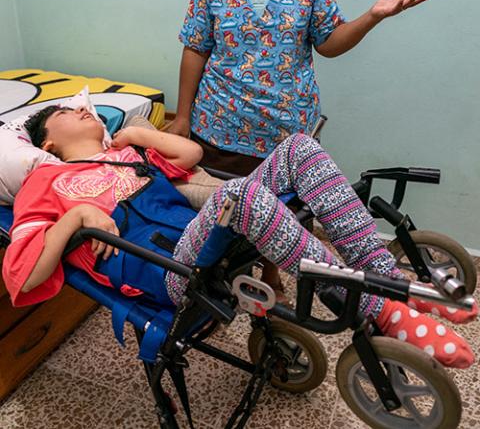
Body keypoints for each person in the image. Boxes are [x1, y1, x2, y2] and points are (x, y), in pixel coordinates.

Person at [2, 105, 475, 369]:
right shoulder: (45, 184)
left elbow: (189, 154)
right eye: (68, 110)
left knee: (298, 148)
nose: (84, 107)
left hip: (200, 239)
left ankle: (387, 277)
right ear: (48, 144)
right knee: (240, 195)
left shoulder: (130, 158)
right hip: (171, 271)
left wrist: (138, 138)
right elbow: (21, 278)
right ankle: (381, 309)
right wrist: (76, 218)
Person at [168, 0, 432, 298]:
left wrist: (373, 16)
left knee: (284, 218)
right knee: (234, 217)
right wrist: (182, 117)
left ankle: (271, 278)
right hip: (221, 133)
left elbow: (328, 42)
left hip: (287, 135)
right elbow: (196, 47)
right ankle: (226, 282)